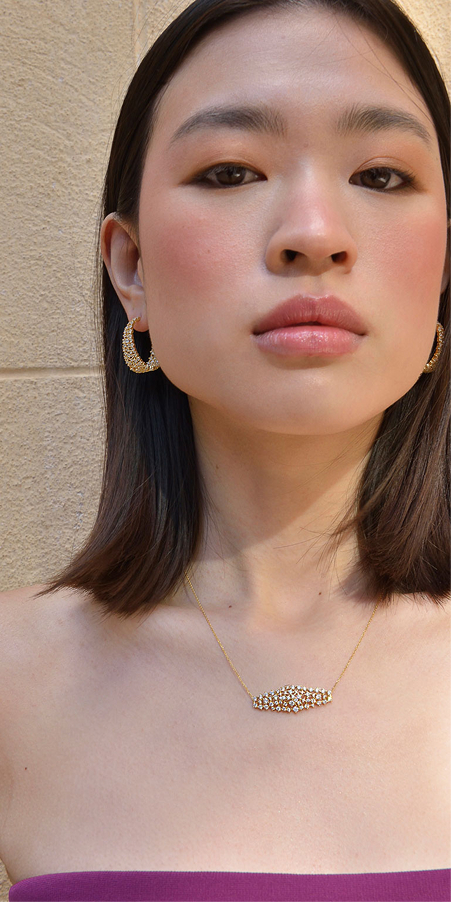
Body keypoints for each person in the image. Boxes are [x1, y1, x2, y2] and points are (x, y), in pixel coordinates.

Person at [1, 0, 450, 899]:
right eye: (231, 171)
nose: (313, 233)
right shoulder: (14, 676)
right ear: (131, 269)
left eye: (380, 175)